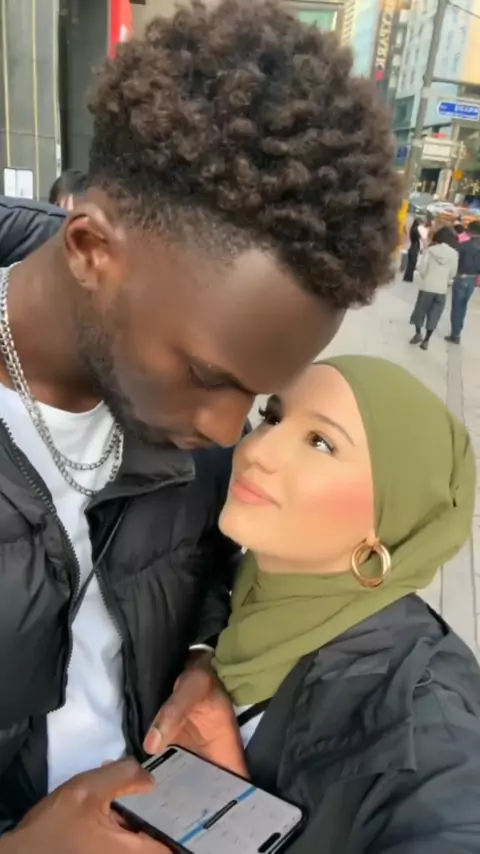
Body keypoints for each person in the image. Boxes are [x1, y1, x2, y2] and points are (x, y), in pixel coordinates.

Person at [0, 1, 400, 851]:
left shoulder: (176, 413)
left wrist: (202, 660)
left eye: (257, 398)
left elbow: (208, 570)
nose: (226, 435)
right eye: (210, 378)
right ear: (91, 251)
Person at [205, 356, 479, 854]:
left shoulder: (422, 723)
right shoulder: (243, 598)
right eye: (272, 417)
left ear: (389, 514)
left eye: (320, 443)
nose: (258, 449)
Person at [409, 225, 458, 350]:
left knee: (420, 312)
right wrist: (446, 280)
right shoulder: (454, 254)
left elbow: (421, 267)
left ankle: (418, 334)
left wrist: (425, 277)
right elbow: (453, 272)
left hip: (427, 287)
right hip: (441, 290)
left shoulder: (430, 250)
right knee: (435, 314)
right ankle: (427, 340)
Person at [446, 220, 480, 344]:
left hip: (461, 277)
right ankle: (458, 331)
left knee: (457, 306)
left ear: (469, 231)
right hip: (473, 279)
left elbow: (456, 261)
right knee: (463, 305)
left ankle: (455, 334)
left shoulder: (464, 245)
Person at [403, 217, 427, 282]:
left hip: (412, 246)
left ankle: (407, 277)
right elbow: (422, 238)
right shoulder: (417, 229)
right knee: (413, 263)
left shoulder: (412, 229)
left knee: (410, 263)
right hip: (415, 247)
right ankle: (409, 277)